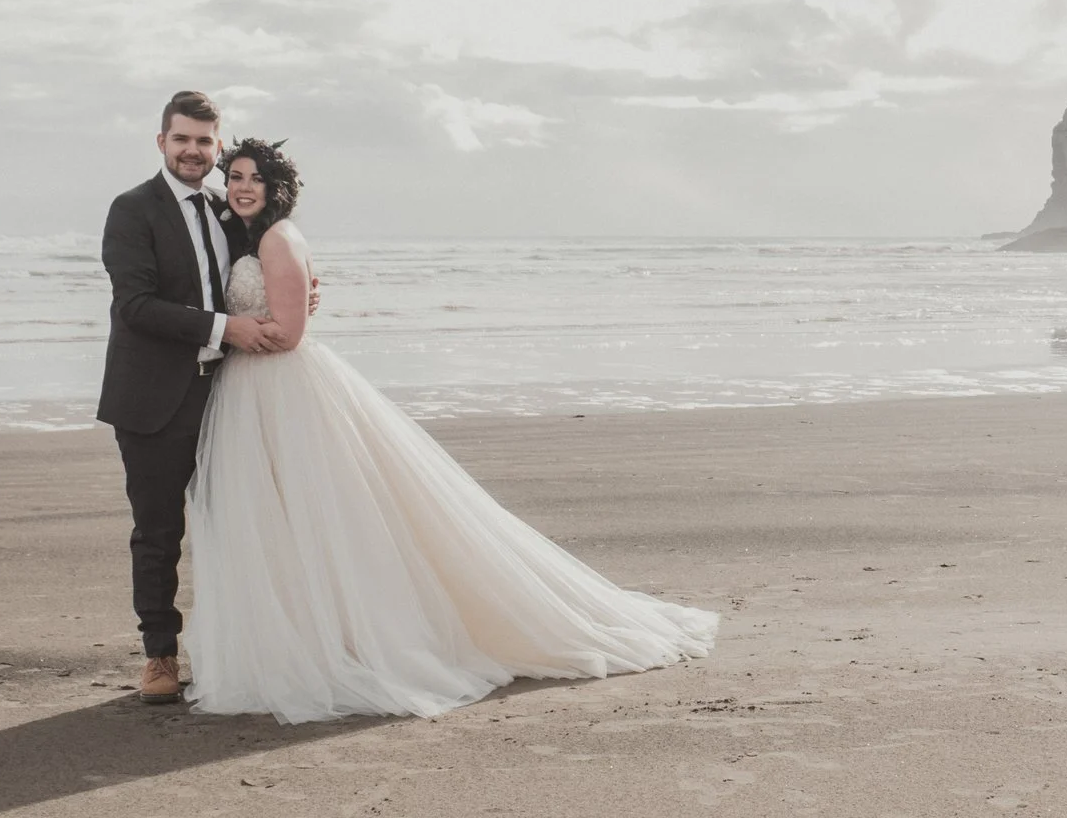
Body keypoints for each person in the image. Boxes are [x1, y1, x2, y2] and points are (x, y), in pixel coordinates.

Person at [182, 138, 717, 721]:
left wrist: (230, 329)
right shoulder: (250, 236)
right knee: (280, 524)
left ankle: (348, 641)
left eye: (254, 178)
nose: (242, 187)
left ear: (276, 186)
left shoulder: (279, 239)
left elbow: (289, 334)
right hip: (252, 392)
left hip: (278, 388)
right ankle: (301, 635)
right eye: (234, 176)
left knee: (320, 519)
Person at [96, 90, 279, 705]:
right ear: (162, 143)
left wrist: (302, 291)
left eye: (205, 141)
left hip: (227, 393)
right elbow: (135, 305)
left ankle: (242, 646)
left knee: (237, 525)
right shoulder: (132, 210)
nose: (193, 151)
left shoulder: (231, 212)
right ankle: (160, 657)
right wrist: (226, 328)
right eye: (182, 140)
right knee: (158, 531)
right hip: (151, 397)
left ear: (217, 146)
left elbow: (266, 262)